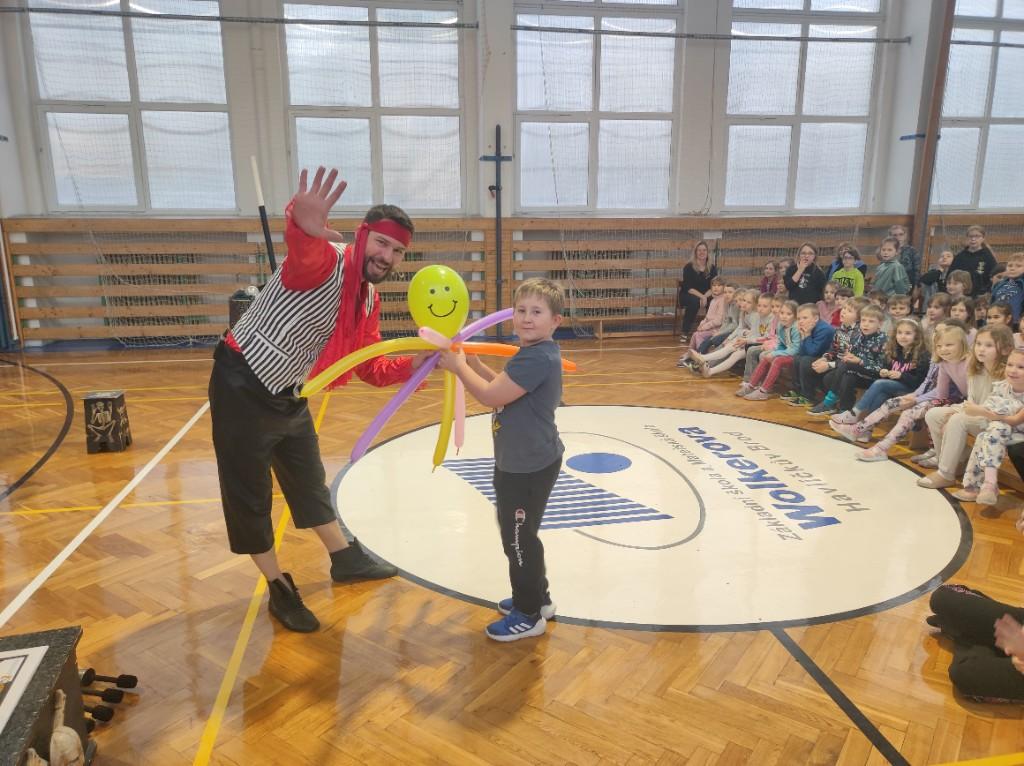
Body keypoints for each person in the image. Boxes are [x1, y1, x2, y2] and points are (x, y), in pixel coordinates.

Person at [209, 166, 428, 633]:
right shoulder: (325, 262)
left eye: (398, 251)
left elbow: (370, 365)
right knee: (249, 497)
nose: (387, 257)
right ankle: (278, 587)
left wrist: (417, 364)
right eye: (382, 243)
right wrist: (300, 224)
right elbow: (304, 252)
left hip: (290, 393)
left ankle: (345, 559)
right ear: (363, 234)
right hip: (241, 383)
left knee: (308, 481)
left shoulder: (368, 300)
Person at [438, 278, 565, 642]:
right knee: (520, 534)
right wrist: (475, 364)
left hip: (527, 467)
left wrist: (458, 367)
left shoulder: (537, 357)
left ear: (555, 320)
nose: (527, 318)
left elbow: (492, 397)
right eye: (521, 310)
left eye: (536, 312)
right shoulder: (533, 353)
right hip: (524, 461)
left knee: (518, 540)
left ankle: (528, 614)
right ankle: (538, 599)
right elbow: (505, 389)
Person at [678, 241, 718, 344]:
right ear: (695, 252)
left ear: (707, 252)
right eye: (699, 250)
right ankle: (685, 332)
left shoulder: (712, 268)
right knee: (694, 302)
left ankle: (711, 330)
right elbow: (688, 288)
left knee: (715, 300)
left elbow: (714, 286)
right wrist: (702, 297)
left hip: (707, 294)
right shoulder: (689, 267)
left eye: (704, 250)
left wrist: (705, 296)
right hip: (688, 294)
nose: (702, 252)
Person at [950, 224, 998, 297]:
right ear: (967, 238)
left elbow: (994, 276)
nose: (973, 239)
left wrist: (986, 292)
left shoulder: (988, 256)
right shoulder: (960, 257)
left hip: (981, 296)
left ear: (983, 238)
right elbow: (951, 275)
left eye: (977, 236)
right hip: (962, 295)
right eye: (970, 236)